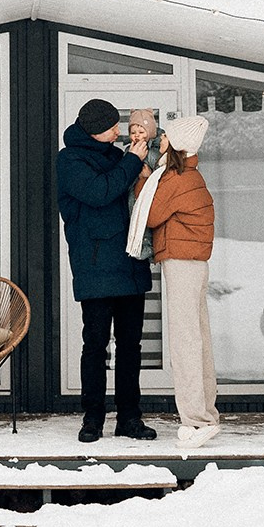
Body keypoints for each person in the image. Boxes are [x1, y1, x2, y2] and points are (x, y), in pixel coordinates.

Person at [57, 97, 157, 444]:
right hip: (96, 265)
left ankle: (130, 418)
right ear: (96, 130)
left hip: (129, 263)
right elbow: (100, 192)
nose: (119, 131)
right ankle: (93, 418)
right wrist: (132, 161)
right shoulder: (70, 160)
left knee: (131, 346)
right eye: (113, 126)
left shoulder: (118, 156)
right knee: (95, 346)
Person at [134, 114, 220, 447]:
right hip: (193, 264)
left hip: (182, 264)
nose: (161, 140)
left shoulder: (177, 178)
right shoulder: (187, 175)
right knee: (198, 340)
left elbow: (152, 214)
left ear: (178, 145)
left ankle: (196, 422)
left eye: (167, 136)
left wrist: (142, 179)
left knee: (185, 342)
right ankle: (206, 415)